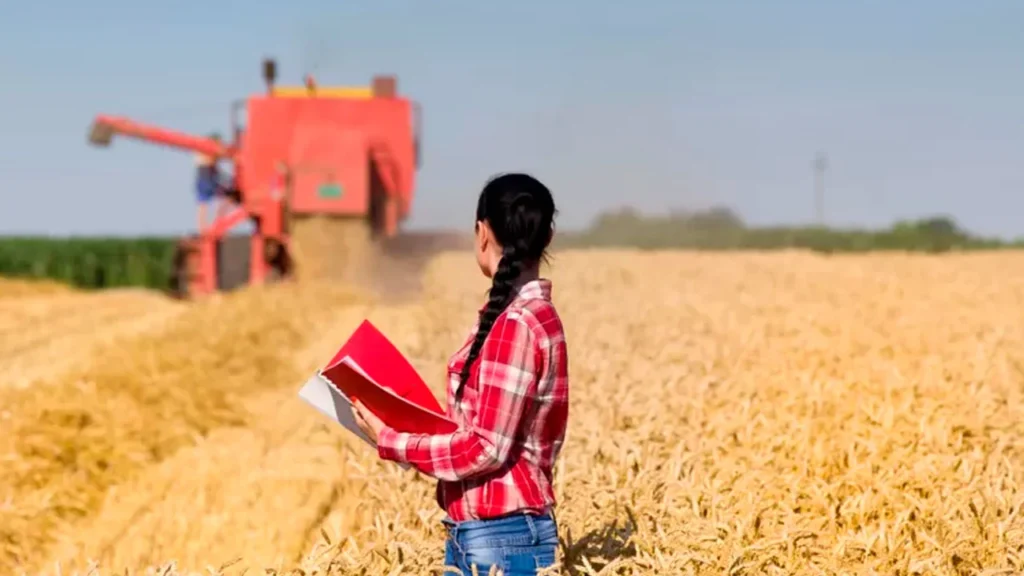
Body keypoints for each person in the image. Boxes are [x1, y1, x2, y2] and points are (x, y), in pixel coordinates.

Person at [352, 172, 569, 576]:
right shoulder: (528, 316)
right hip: (492, 533)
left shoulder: (515, 325)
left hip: (500, 536)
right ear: (549, 236)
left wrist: (390, 440)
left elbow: (485, 449)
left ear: (482, 232)